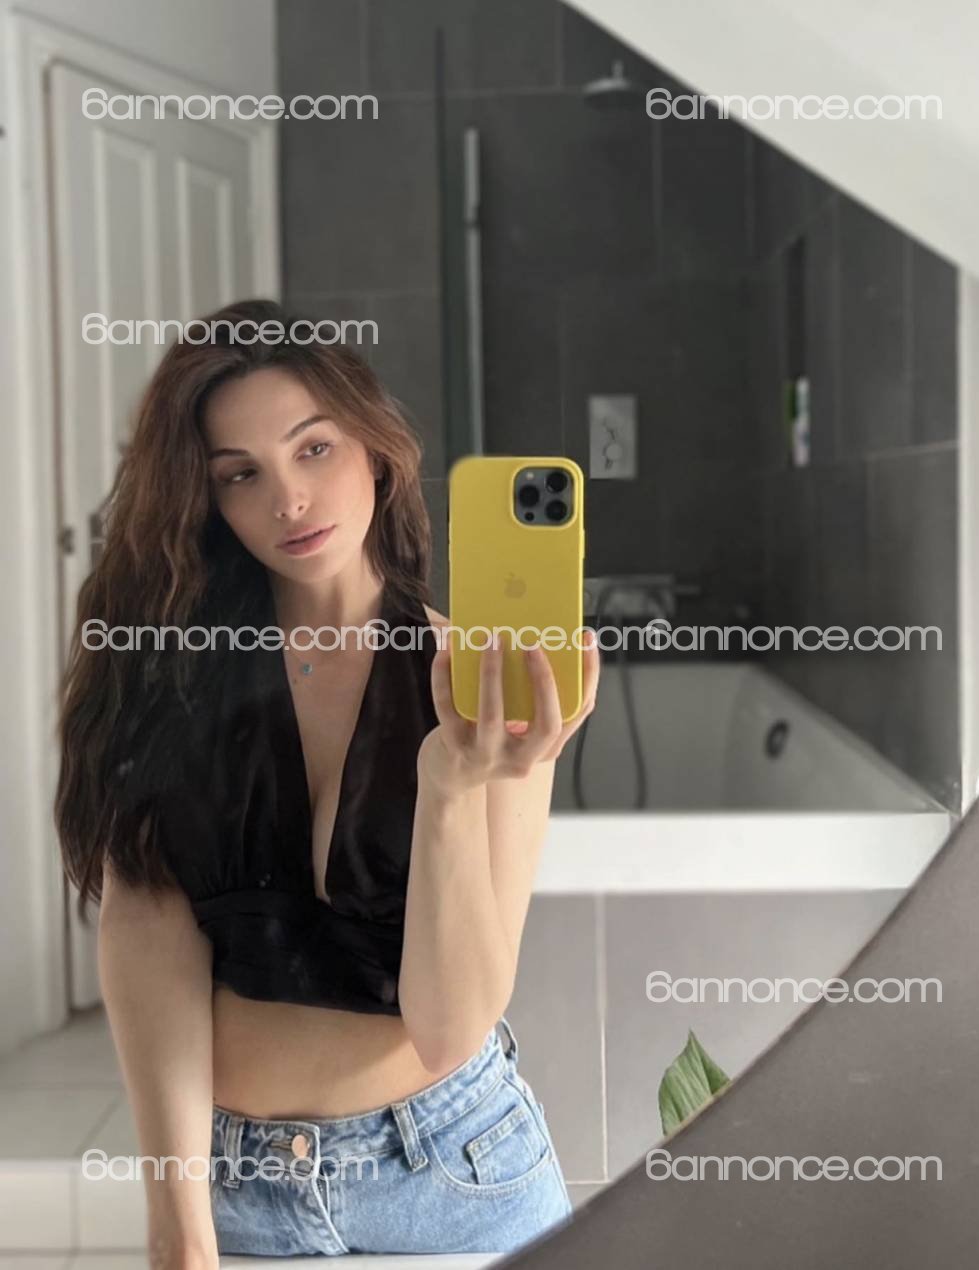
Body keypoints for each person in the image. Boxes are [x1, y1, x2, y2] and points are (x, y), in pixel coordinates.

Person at [55, 299, 600, 1265]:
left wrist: (448, 788)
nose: (290, 500)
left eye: (314, 449)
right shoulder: (170, 677)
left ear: (375, 452)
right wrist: (179, 1226)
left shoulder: (480, 683)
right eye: (242, 474)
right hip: (237, 1193)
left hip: (456, 1174)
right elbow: (147, 931)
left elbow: (450, 1026)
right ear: (208, 500)